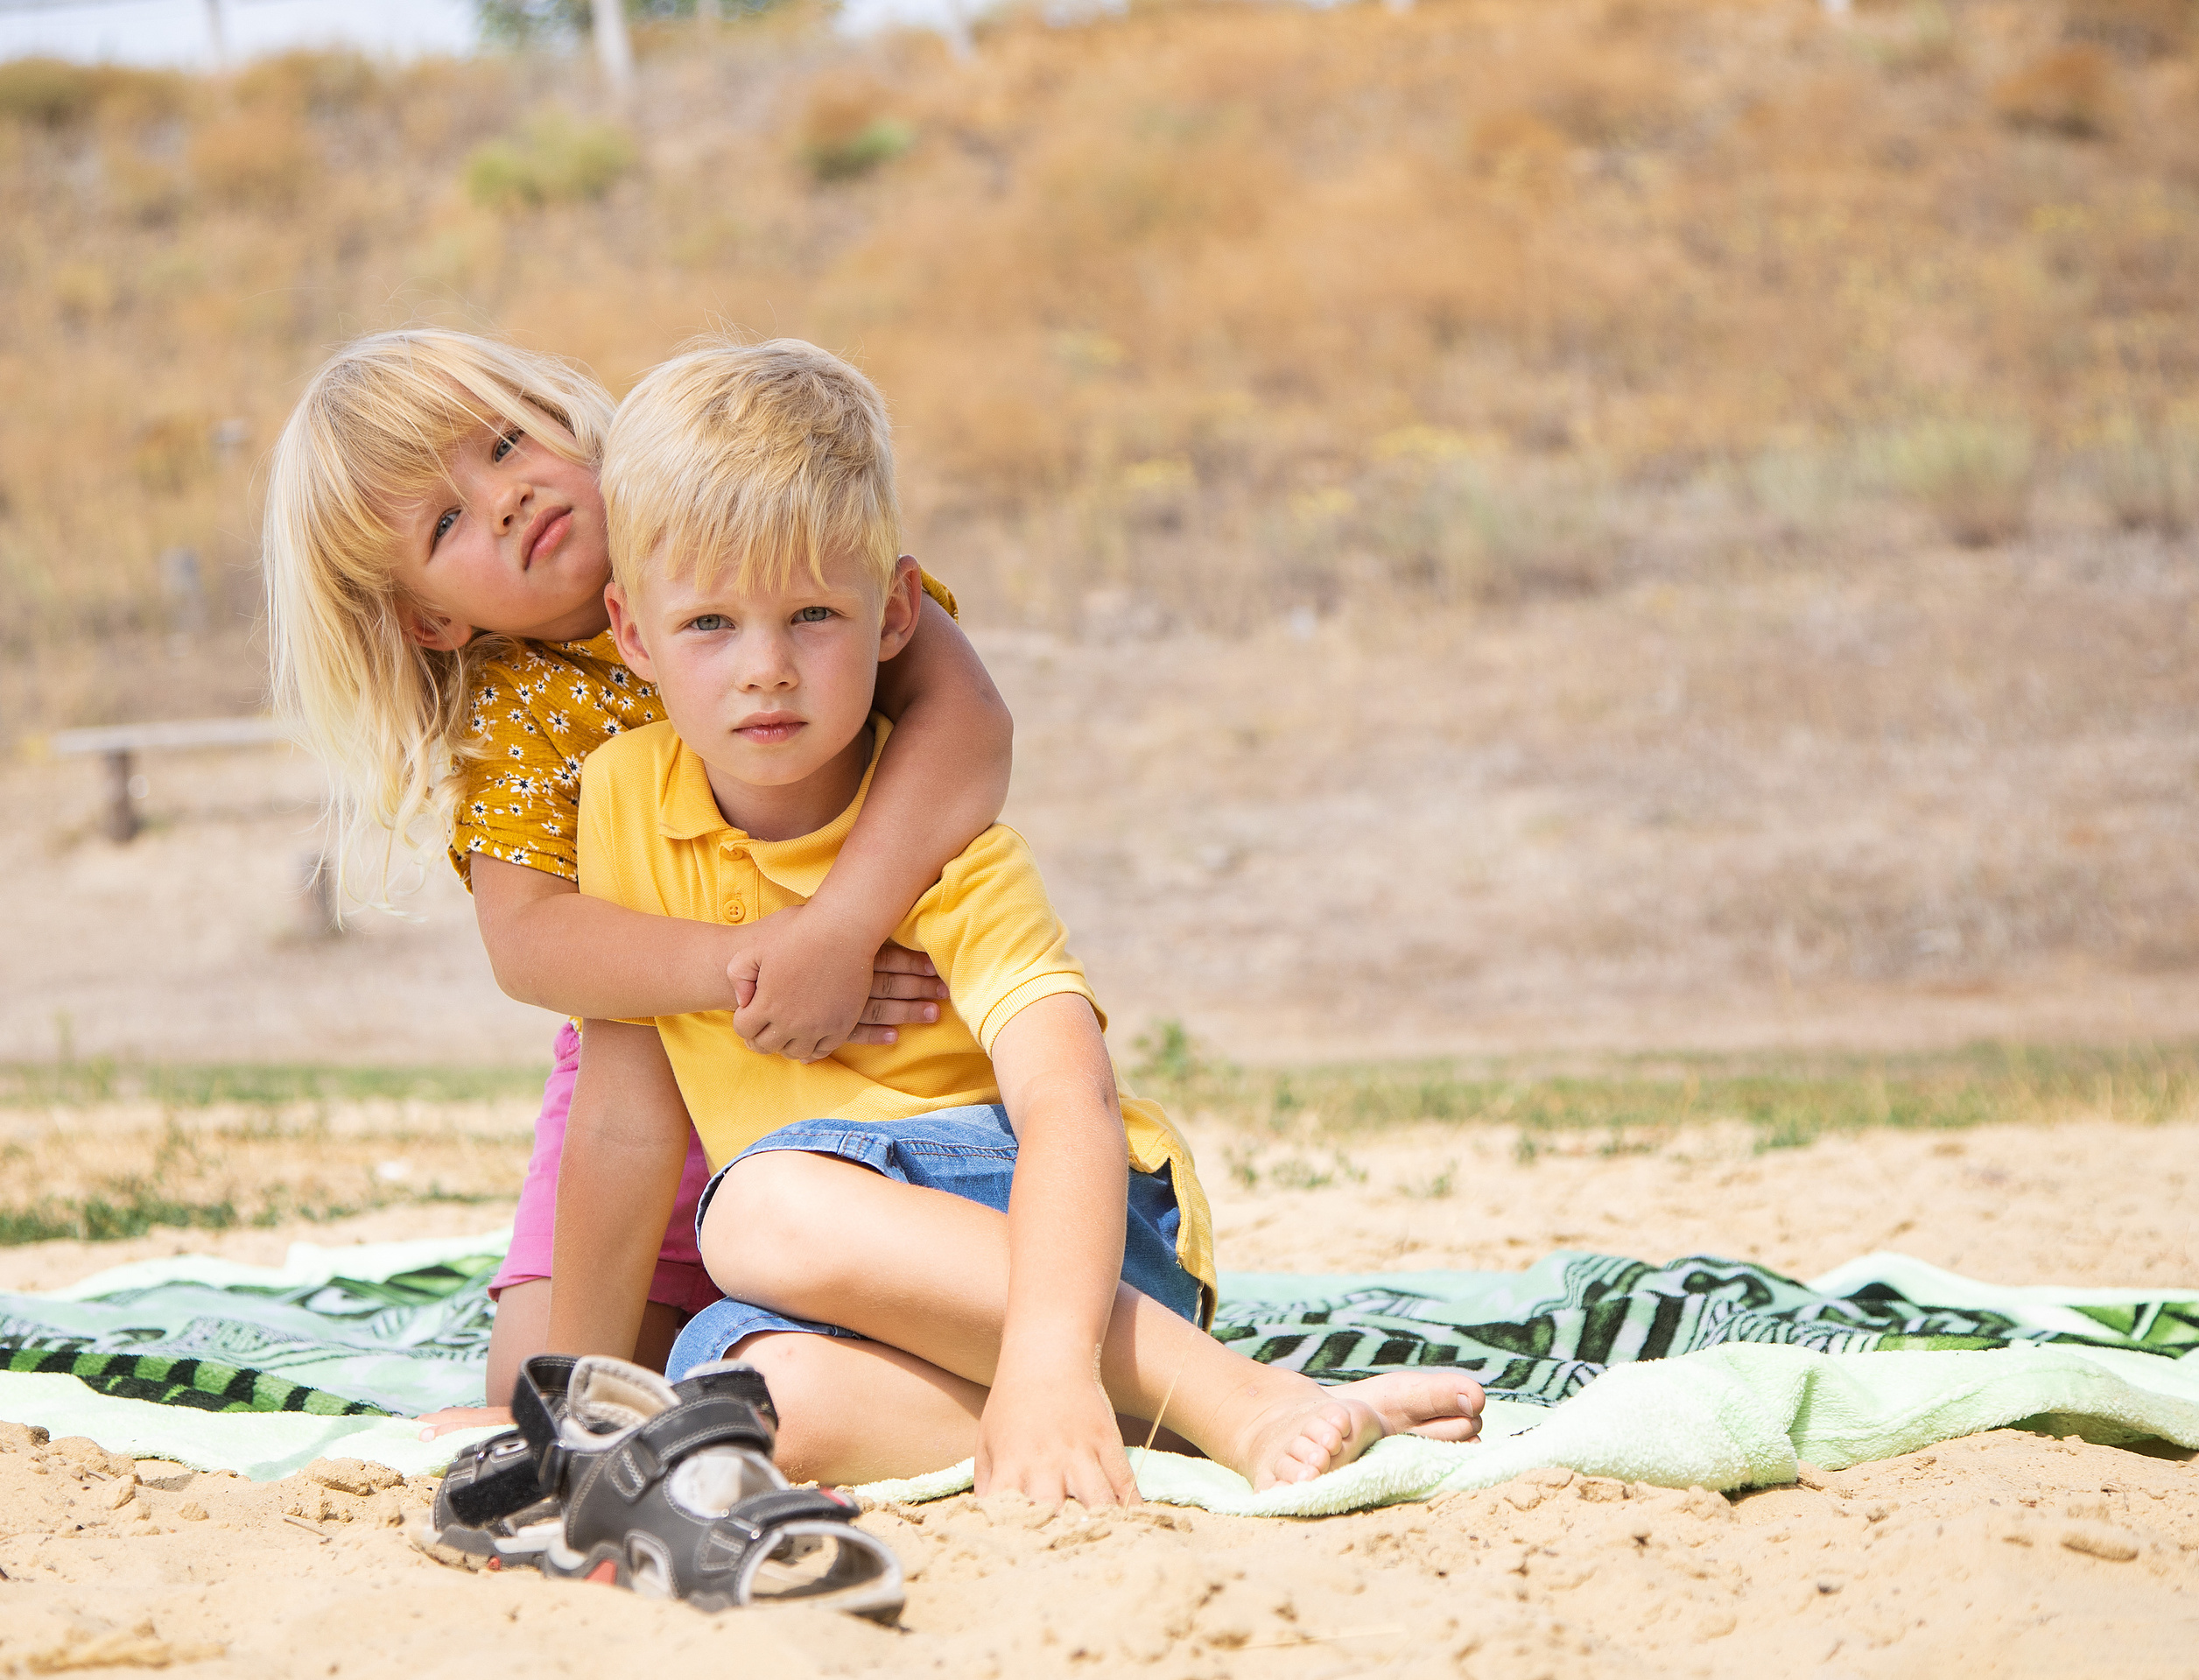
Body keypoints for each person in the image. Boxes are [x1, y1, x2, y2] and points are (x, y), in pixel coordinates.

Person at [549, 339, 1485, 1502]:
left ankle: (1210, 1388)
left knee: (756, 1206)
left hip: (1070, 1243)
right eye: (709, 624)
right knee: (741, 1408)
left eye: (812, 613)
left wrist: (1048, 1344)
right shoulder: (621, 802)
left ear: (895, 612)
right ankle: (1179, 1414)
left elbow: (1067, 1099)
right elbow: (622, 1118)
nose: (766, 668)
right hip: (838, 1296)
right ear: (632, 633)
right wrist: (555, 1390)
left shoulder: (937, 843)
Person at [260, 328, 1013, 1421]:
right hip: (648, 1074)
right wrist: (753, 961)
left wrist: (838, 931)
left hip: (869, 1029)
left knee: (856, 1297)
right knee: (544, 1387)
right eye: (446, 521)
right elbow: (532, 939)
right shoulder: (516, 714)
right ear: (430, 616)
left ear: (566, 419)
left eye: (506, 444)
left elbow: (966, 719)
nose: (505, 500)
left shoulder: (743, 526)